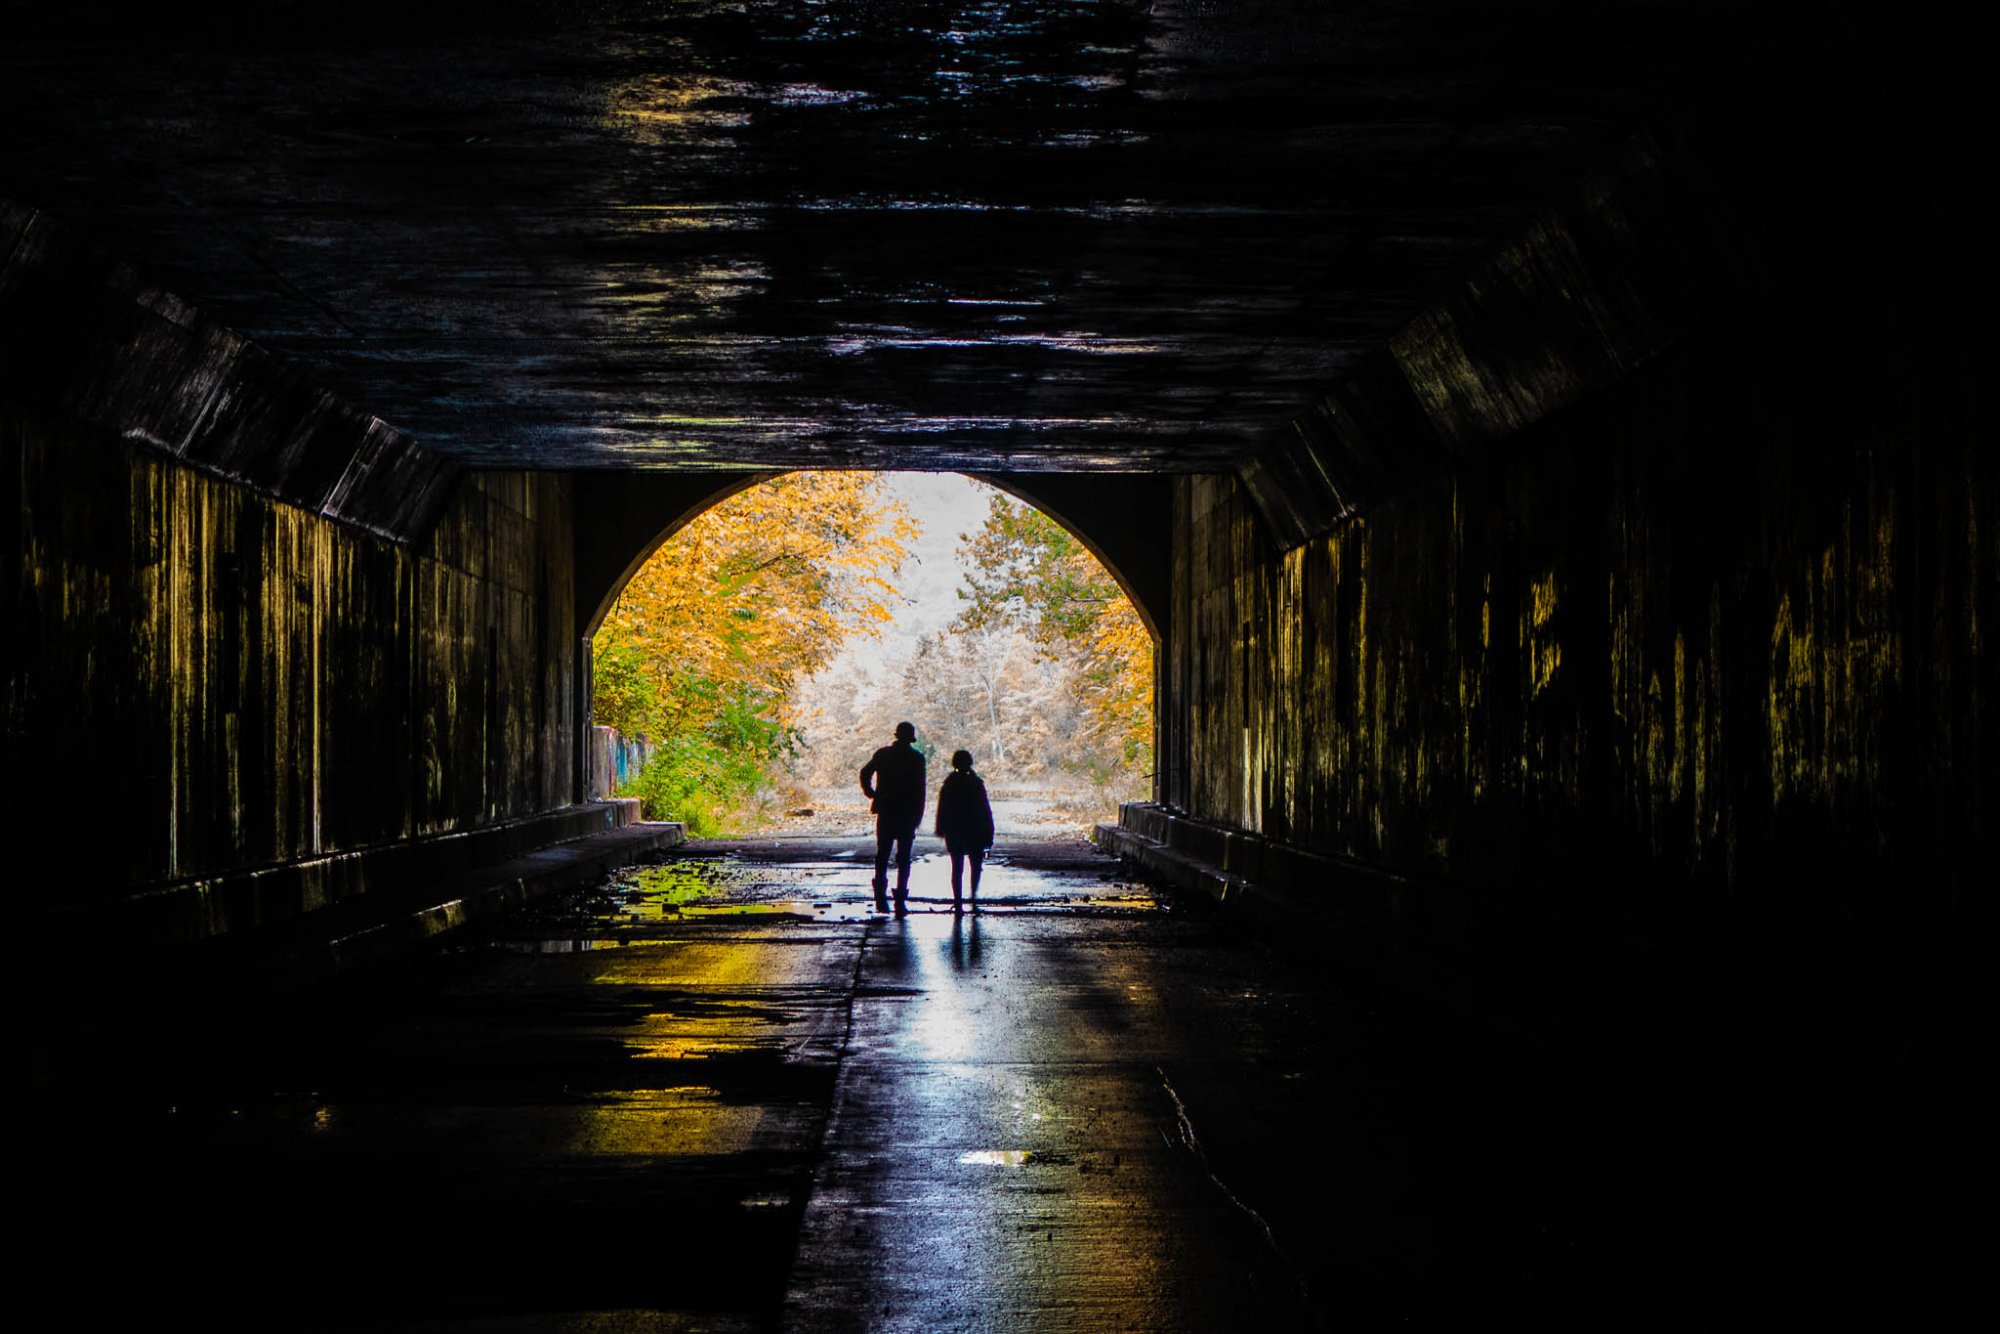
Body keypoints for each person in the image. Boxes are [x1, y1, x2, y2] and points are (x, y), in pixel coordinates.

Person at [859, 721, 926, 914]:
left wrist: (871, 793)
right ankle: (900, 901)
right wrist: (918, 815)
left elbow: (865, 772)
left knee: (882, 854)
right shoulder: (917, 759)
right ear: (910, 738)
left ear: (897, 735)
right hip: (907, 813)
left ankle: (880, 898)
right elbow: (920, 790)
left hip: (886, 809)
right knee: (904, 858)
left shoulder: (883, 754)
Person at [933, 749, 995, 913]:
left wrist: (941, 827)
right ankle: (973, 899)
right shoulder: (976, 783)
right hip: (975, 830)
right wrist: (989, 834)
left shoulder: (949, 783)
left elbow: (943, 808)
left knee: (957, 867)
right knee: (975, 866)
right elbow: (985, 810)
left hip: (955, 830)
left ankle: (958, 901)